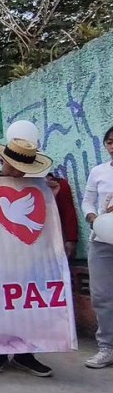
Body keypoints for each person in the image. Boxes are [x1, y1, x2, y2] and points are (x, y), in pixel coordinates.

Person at [0, 137, 56, 377]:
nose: (15, 171)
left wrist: (51, 195)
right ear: (2, 160)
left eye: (22, 168)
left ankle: (25, 353)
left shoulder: (39, 187)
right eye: (11, 165)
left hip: (29, 258)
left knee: (27, 303)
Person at [82, 125, 113, 369]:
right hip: (102, 241)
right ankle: (107, 348)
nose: (112, 146)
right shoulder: (98, 171)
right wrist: (93, 218)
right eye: (110, 142)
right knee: (102, 296)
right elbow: (88, 200)